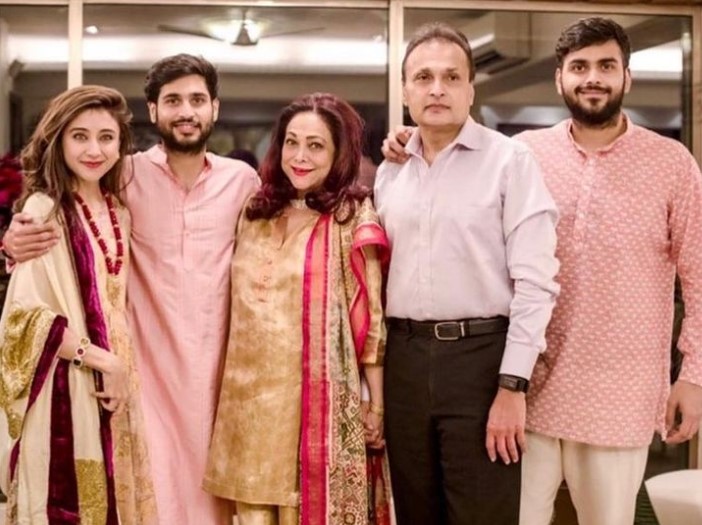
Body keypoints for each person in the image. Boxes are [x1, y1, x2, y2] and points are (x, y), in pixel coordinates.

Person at [382, 17, 702, 525]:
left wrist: (694, 375)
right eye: (579, 67)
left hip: (617, 394)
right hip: (527, 388)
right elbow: (451, 155)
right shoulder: (523, 152)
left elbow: (699, 274)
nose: (592, 78)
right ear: (559, 78)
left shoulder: (671, 163)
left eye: (606, 66)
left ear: (627, 76)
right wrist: (405, 139)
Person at [3, 55, 260, 524]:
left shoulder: (243, 181)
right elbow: (60, 228)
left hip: (217, 378)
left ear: (215, 108)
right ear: (153, 110)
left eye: (197, 100)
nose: (186, 111)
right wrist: (10, 243)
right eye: (173, 101)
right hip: (142, 377)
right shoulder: (125, 175)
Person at [374, 22, 559, 525]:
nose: (437, 88)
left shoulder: (510, 161)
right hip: (404, 362)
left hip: (481, 363)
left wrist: (512, 386)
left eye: (451, 77)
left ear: (471, 89)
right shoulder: (391, 170)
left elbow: (537, 284)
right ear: (405, 91)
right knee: (414, 513)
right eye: (424, 77)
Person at [202, 92, 390, 525]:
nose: (300, 157)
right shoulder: (254, 213)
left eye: (315, 145)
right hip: (246, 410)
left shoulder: (351, 217)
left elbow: (370, 319)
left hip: (312, 415)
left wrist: (375, 404)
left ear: (339, 153)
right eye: (291, 142)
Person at [0, 85, 156, 523]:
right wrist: (104, 361)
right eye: (79, 136)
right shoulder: (44, 209)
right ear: (58, 141)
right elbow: (25, 318)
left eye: (106, 137)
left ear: (121, 145)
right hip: (67, 382)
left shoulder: (117, 209)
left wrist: (118, 368)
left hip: (116, 383)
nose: (94, 150)